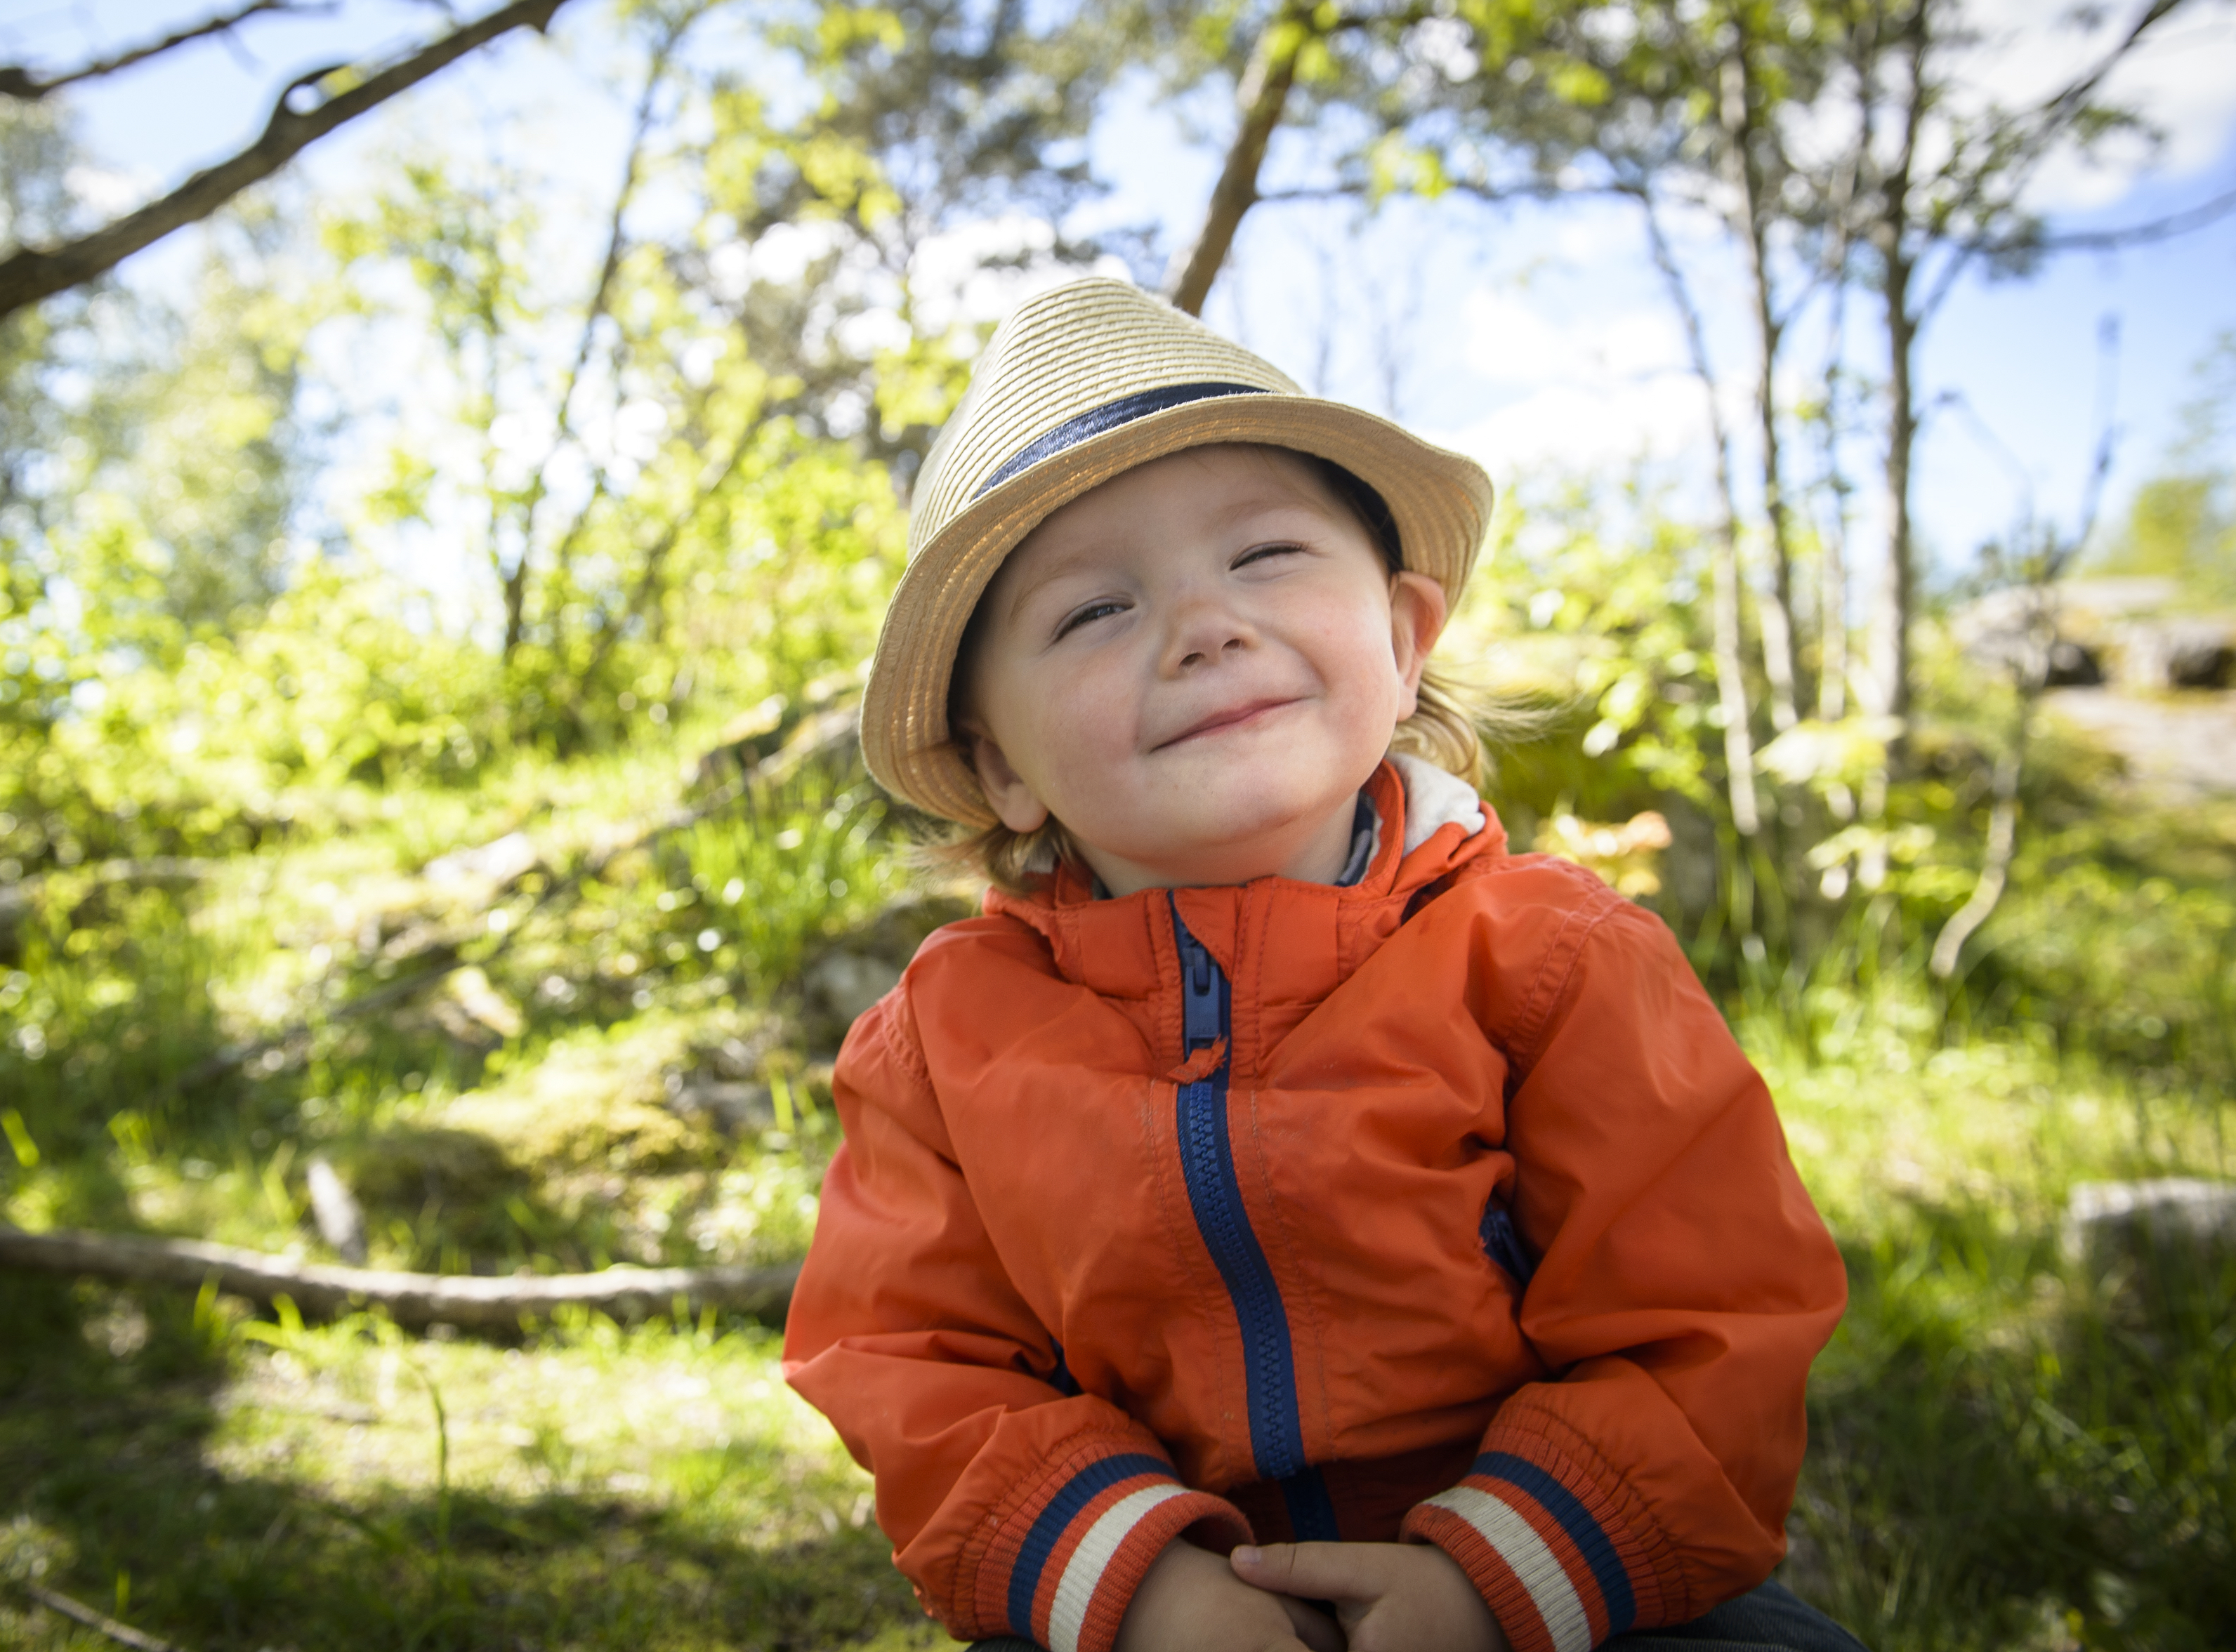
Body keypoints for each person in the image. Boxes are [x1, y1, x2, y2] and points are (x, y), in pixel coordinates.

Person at [781, 277, 1856, 1652]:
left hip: (1555, 1585)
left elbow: (1712, 1317)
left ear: (1404, 641)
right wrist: (1150, 1590)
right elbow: (913, 1365)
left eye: (1266, 555)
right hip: (1150, 1601)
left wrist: (1487, 1580)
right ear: (998, 766)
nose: (1200, 625)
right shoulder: (941, 1045)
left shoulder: (1550, 961)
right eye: (1090, 612)